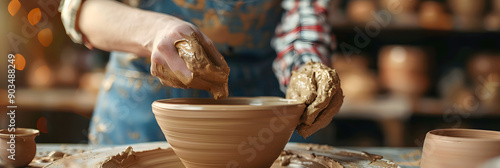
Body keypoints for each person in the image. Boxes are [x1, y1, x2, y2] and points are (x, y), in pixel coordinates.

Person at [59, 0, 337, 145]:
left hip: (258, 107)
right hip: (140, 105)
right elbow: (82, 8)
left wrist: (305, 68)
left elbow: (303, 11)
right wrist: (154, 32)